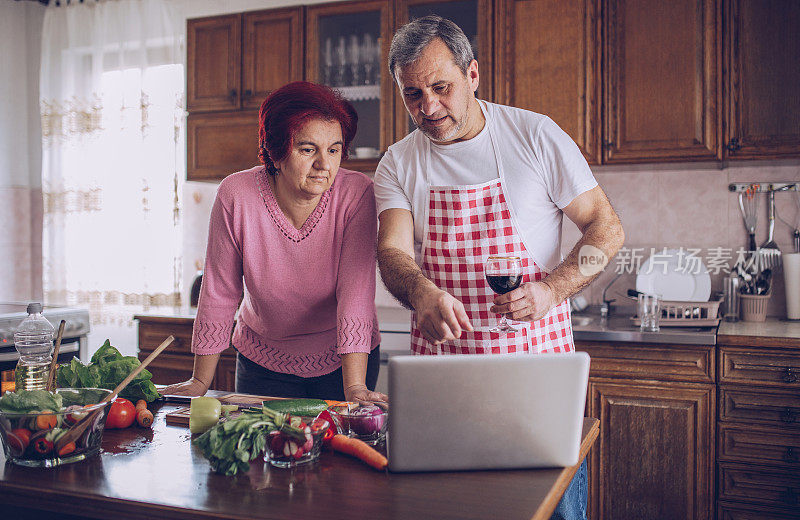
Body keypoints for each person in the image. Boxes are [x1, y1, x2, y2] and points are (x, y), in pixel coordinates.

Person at [374, 16, 624, 520]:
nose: (429, 107)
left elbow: (607, 229)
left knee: (552, 511)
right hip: (445, 385)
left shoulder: (534, 136)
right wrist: (422, 294)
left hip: (536, 378)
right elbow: (393, 252)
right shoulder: (398, 163)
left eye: (441, 87)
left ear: (473, 74)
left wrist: (552, 291)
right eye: (413, 94)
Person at [163, 81, 386, 404]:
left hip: (344, 362)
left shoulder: (357, 194)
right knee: (261, 450)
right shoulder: (236, 195)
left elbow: (355, 293)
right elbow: (220, 291)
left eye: (334, 149)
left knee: (338, 451)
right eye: (308, 149)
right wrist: (200, 380)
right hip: (262, 361)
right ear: (275, 151)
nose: (324, 164)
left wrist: (353, 388)